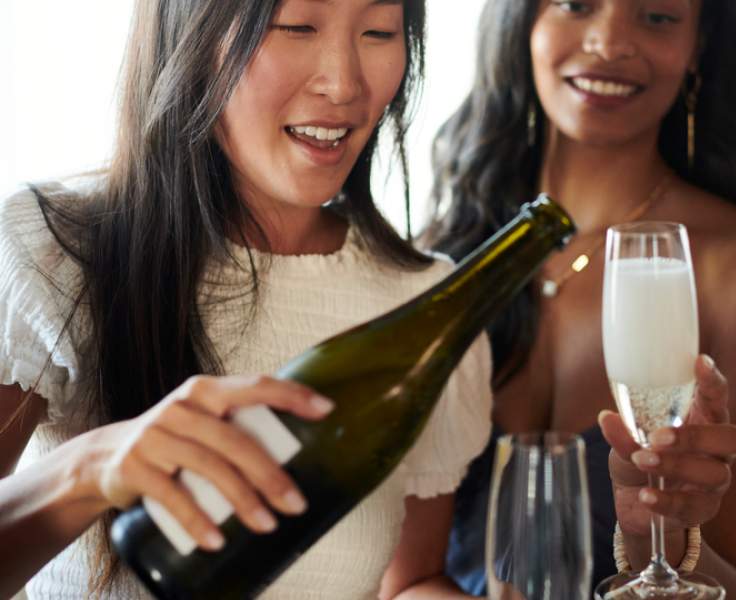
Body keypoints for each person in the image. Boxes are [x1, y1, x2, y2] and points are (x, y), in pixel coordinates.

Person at [0, 1, 492, 598]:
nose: (343, 83)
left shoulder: (427, 305)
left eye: (379, 31)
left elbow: (411, 583)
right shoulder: (52, 250)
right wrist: (92, 468)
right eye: (296, 26)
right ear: (192, 36)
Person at [424, 0, 736, 598]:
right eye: (575, 4)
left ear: (699, 46)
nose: (608, 42)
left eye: (657, 17)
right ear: (522, 22)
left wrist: (667, 534)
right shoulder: (438, 263)